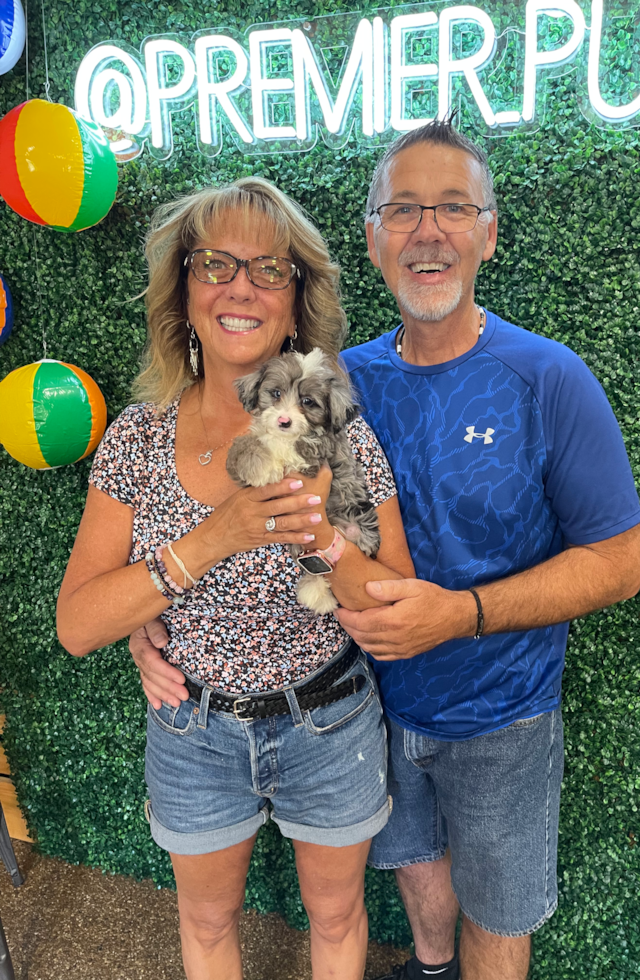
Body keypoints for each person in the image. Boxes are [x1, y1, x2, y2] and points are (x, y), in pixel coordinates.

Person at [130, 121, 640, 980]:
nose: (427, 230)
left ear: (489, 230)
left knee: (496, 915)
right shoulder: (332, 384)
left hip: (501, 717)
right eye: (403, 209)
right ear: (373, 238)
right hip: (365, 704)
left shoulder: (548, 378)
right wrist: (152, 622)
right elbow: (238, 520)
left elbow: (619, 561)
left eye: (453, 207)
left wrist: (462, 614)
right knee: (414, 885)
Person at [56, 176, 415, 980]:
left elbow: (396, 599)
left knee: (335, 916)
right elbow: (78, 624)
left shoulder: (335, 427)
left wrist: (322, 538)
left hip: (330, 722)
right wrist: (213, 539)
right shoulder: (137, 439)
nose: (240, 287)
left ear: (296, 304)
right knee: (208, 921)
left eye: (268, 270)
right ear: (183, 290)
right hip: (193, 732)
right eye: (215, 264)